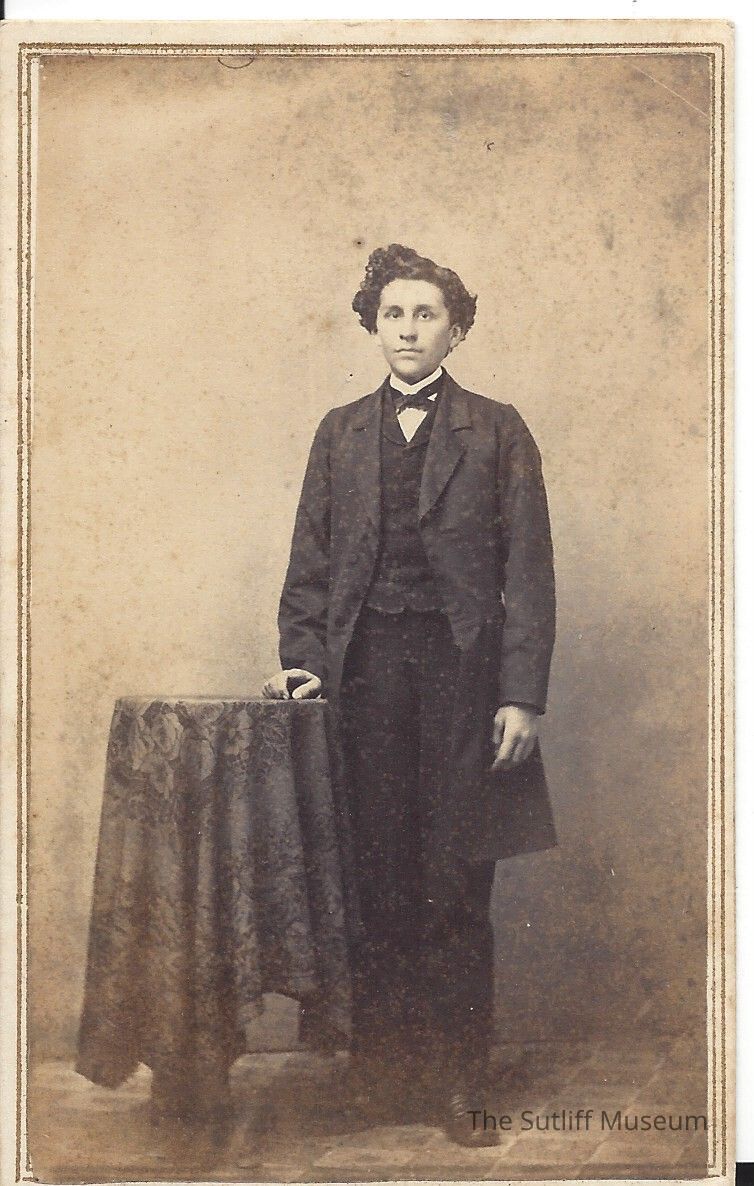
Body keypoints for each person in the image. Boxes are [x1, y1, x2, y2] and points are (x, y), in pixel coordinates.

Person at [263, 243, 557, 1147]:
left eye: (427, 314)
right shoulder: (339, 432)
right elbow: (310, 566)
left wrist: (521, 697)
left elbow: (529, 572)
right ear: (373, 325)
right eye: (393, 313)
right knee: (377, 879)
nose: (408, 330)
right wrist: (303, 659)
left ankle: (460, 1081)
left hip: (464, 684)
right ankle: (384, 1074)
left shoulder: (497, 429)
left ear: (455, 330)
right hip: (363, 683)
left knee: (455, 880)